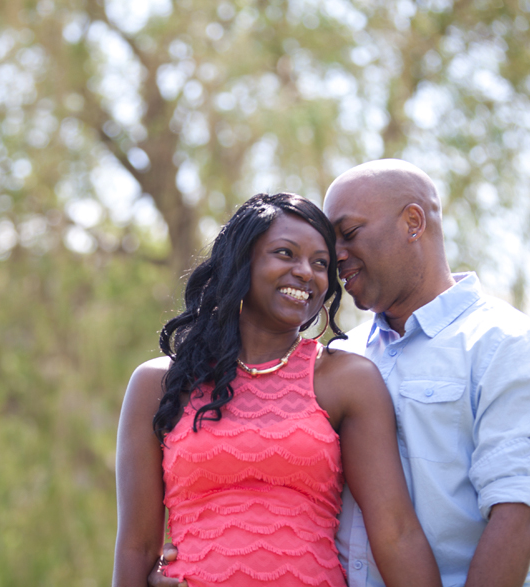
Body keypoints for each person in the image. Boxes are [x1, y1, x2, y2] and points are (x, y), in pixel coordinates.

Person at [148, 160, 530, 587]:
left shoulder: (504, 343)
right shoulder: (340, 355)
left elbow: (518, 518)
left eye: (348, 235)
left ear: (413, 222)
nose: (337, 260)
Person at [113, 193, 441, 587]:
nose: (306, 272)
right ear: (242, 261)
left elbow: (396, 532)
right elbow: (136, 547)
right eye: (285, 254)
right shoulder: (160, 384)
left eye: (321, 263)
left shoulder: (346, 380)